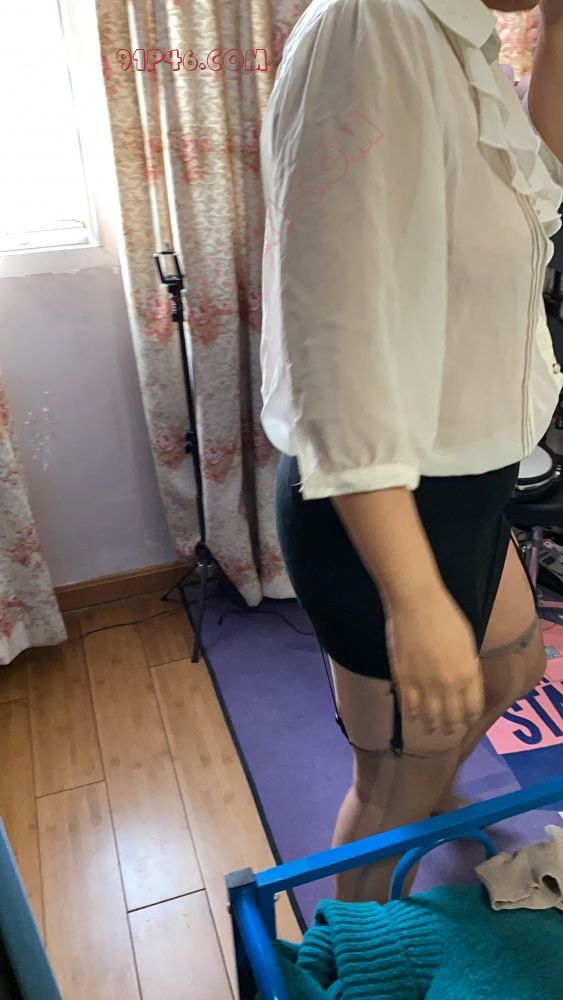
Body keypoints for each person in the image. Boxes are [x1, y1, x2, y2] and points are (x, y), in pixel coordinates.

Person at [259, 0, 563, 903]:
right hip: (386, 495)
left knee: (511, 671)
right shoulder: (368, 29)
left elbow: (541, 179)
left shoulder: (458, 42)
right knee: (389, 776)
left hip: (468, 477)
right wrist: (411, 596)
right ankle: (351, 950)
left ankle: (426, 792)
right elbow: (328, 337)